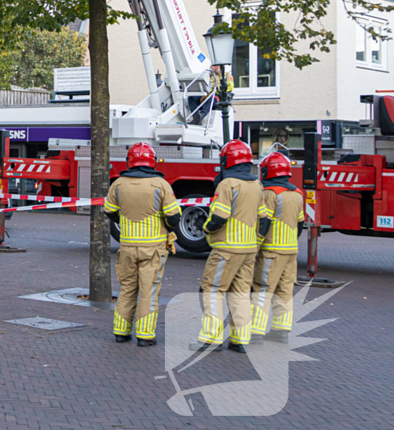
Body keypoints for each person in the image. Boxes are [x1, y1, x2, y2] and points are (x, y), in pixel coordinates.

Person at [190, 139, 266, 354]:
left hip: (226, 249)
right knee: (241, 293)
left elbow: (219, 217)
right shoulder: (257, 184)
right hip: (249, 249)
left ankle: (211, 339)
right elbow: (264, 218)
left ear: (226, 160)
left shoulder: (227, 184)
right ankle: (240, 339)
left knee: (212, 290)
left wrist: (206, 228)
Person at [103, 142, 181, 347]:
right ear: (152, 162)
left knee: (127, 289)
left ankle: (121, 332)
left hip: (127, 247)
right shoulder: (161, 185)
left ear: (129, 161)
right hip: (153, 248)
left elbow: (109, 211)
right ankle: (145, 336)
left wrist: (125, 220)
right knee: (148, 291)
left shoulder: (118, 184)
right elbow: (174, 217)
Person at [251, 152, 304, 345]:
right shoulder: (297, 193)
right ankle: (281, 330)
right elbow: (300, 224)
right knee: (285, 289)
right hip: (291, 250)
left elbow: (263, 222)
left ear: (267, 171)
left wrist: (255, 247)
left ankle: (255, 331)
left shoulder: (269, 193)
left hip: (271, 250)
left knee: (262, 288)